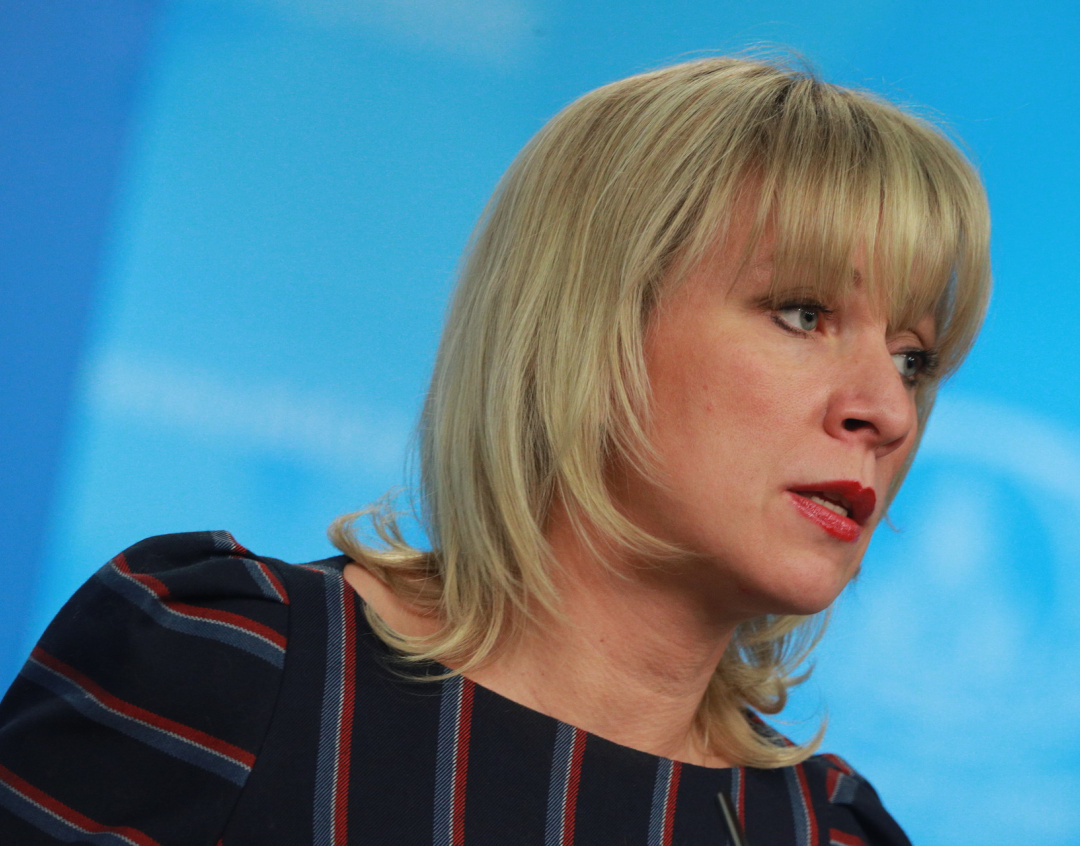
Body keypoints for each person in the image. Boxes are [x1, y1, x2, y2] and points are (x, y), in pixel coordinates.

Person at [0, 55, 990, 845]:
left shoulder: (829, 831)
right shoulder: (226, 672)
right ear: (586, 327)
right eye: (804, 314)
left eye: (913, 359)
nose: (886, 412)